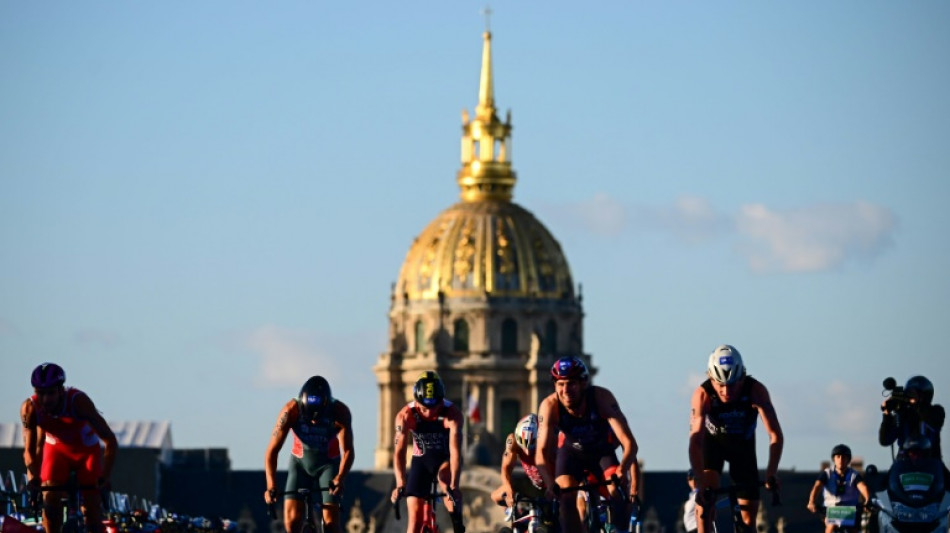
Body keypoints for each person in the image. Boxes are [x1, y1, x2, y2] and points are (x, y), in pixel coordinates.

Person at [536, 356, 641, 533]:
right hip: (571, 454)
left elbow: (629, 443)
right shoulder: (549, 406)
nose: (566, 390)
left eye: (571, 384)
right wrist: (549, 484)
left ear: (583, 383)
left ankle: (618, 528)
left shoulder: (601, 398)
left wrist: (623, 470)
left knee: (616, 489)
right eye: (560, 385)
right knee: (565, 497)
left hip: (601, 452)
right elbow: (541, 452)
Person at [688, 345, 783, 533]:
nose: (726, 391)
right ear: (710, 378)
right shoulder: (703, 395)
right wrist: (700, 481)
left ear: (742, 377)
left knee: (749, 520)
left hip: (743, 448)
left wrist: (771, 472)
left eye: (732, 384)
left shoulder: (756, 391)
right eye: (720, 385)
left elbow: (775, 435)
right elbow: (695, 442)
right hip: (713, 444)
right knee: (705, 505)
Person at [20, 363, 118, 533]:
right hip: (57, 451)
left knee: (92, 511)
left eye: (50, 393)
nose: (45, 400)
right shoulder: (29, 408)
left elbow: (110, 440)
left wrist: (105, 476)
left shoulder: (79, 402)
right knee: (50, 499)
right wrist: (33, 479)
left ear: (61, 390)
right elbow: (29, 450)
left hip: (86, 452)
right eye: (40, 393)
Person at [264, 376, 354, 533]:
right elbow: (272, 451)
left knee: (331, 524)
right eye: (309, 418)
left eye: (318, 419)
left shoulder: (340, 412)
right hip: (300, 465)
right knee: (291, 523)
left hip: (328, 465)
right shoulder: (290, 410)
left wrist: (340, 478)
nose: (313, 422)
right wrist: (271, 485)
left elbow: (348, 451)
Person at [390, 371, 465, 533]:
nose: (430, 413)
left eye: (435, 408)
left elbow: (455, 452)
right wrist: (400, 483)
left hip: (445, 458)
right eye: (424, 409)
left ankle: (456, 520)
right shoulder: (405, 415)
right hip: (421, 461)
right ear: (417, 403)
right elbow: (399, 453)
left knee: (446, 482)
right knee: (414, 520)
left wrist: (455, 486)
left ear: (441, 402)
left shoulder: (453, 414)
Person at [806, 444, 871, 533]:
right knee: (831, 526)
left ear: (848, 460)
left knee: (853, 530)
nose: (841, 460)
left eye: (844, 457)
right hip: (831, 508)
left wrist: (867, 499)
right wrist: (811, 501)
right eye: (838, 457)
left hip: (850, 509)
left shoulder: (854, 474)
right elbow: (817, 486)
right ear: (834, 459)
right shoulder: (827, 473)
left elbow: (863, 487)